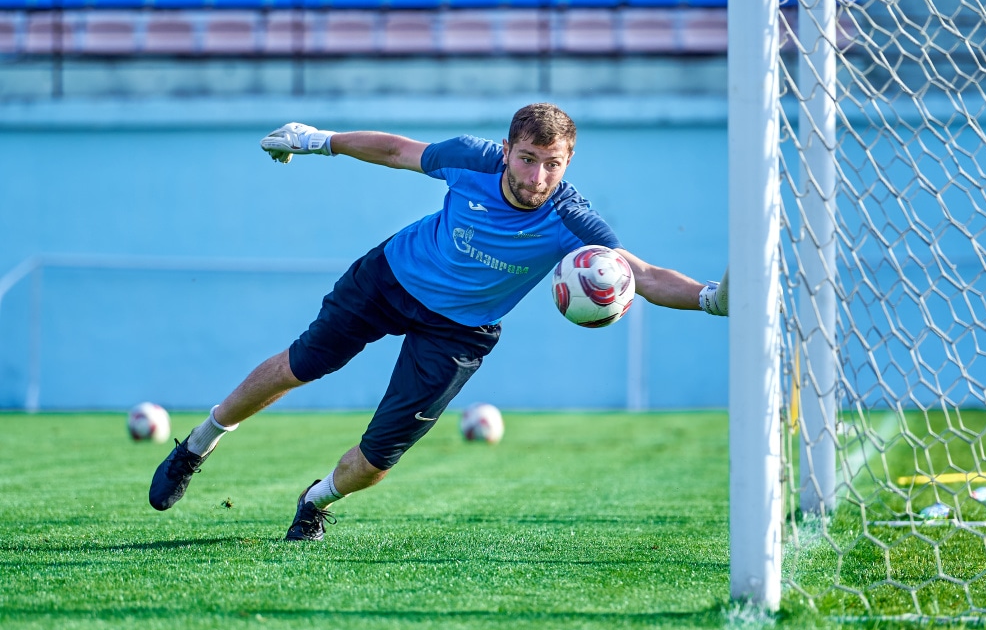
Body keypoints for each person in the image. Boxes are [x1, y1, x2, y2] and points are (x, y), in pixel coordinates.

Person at [148, 102, 729, 541]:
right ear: (507, 151)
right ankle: (196, 447)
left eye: (552, 166)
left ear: (567, 163)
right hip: (390, 278)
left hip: (460, 331)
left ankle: (316, 501)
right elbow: (397, 151)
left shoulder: (573, 221)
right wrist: (317, 140)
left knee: (377, 461)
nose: (536, 179)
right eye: (527, 160)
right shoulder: (470, 160)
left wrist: (709, 297)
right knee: (301, 364)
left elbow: (645, 276)